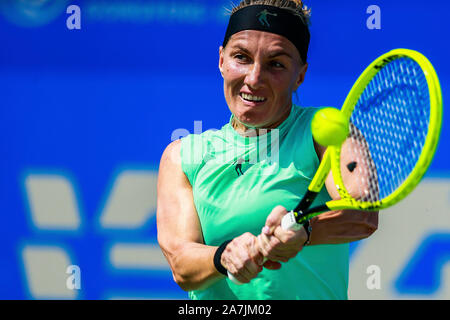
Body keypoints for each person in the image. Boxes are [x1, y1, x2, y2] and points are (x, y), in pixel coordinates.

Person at [157, 0, 378, 300]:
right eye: (241, 57)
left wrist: (306, 232)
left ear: (300, 74)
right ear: (221, 60)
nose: (254, 78)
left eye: (276, 63)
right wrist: (224, 256)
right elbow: (181, 265)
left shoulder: (326, 131)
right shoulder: (183, 156)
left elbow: (364, 214)